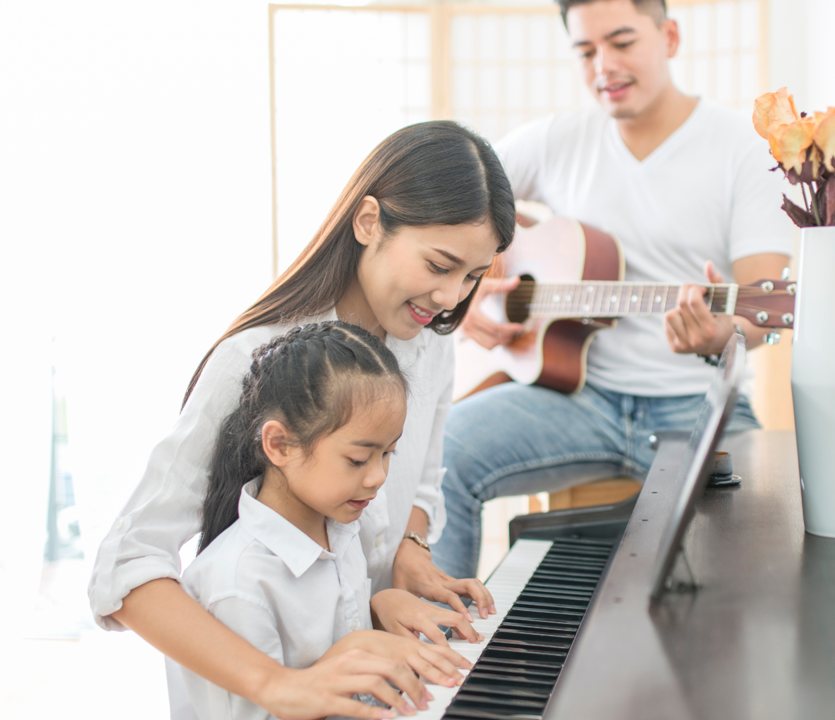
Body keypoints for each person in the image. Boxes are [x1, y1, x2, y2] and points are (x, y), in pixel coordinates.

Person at [88, 121, 513, 720]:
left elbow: (419, 482)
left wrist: (406, 558)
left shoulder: (430, 340)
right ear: (368, 222)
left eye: (473, 276)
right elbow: (128, 564)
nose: (451, 298)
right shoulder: (254, 360)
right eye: (439, 265)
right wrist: (277, 686)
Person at [433, 0, 794, 580]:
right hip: (575, 396)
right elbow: (454, 203)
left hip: (694, 405)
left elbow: (762, 303)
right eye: (586, 50)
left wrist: (725, 330)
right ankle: (439, 647)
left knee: (769, 521)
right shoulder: (557, 139)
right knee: (441, 457)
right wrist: (468, 291)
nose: (604, 65)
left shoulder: (743, 150)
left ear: (669, 36)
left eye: (622, 42)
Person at [182, 321, 472, 720]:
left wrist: (378, 610)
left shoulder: (343, 525)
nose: (378, 477)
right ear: (279, 445)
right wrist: (355, 651)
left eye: (389, 454)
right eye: (358, 459)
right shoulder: (239, 585)